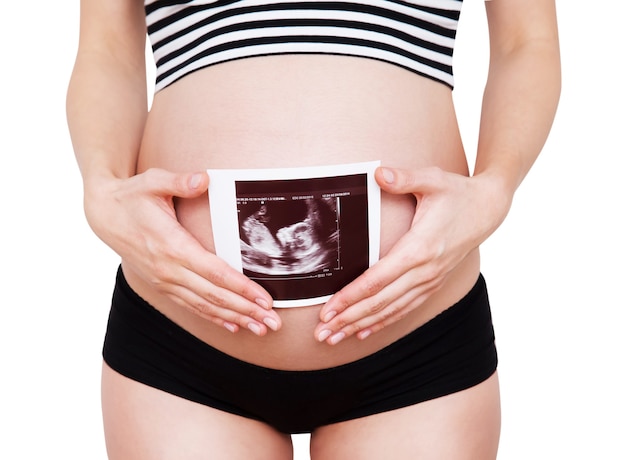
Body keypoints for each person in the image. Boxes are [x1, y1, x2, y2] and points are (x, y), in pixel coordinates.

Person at [66, 0, 560, 458]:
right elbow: (106, 50)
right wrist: (101, 189)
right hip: (181, 342)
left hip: (415, 341)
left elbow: (527, 43)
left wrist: (495, 187)